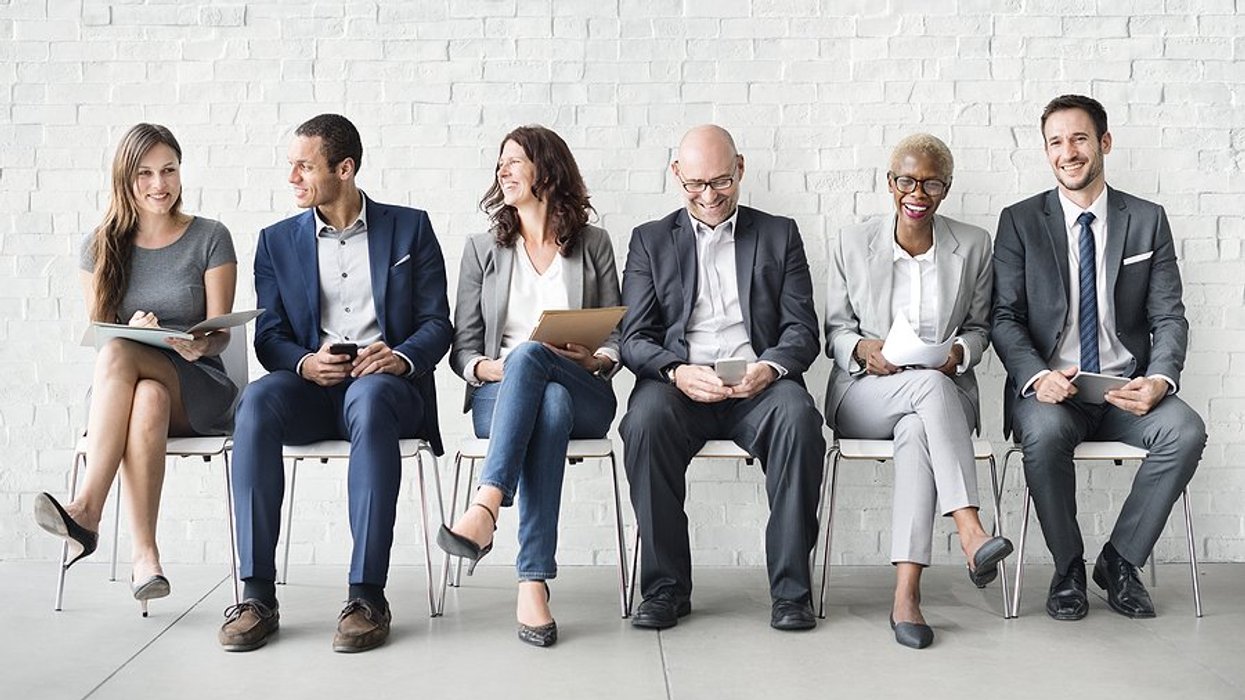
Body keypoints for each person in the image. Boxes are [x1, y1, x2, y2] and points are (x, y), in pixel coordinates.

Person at [218, 114, 451, 653]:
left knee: (369, 399)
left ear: (344, 169)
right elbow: (270, 335)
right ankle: (256, 594)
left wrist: (400, 358)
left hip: (386, 389)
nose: (293, 177)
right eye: (291, 165)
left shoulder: (409, 228)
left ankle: (367, 595)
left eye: (305, 165)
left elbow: (438, 323)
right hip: (312, 389)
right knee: (254, 400)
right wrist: (303, 363)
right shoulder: (275, 241)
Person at [992, 94, 1207, 621]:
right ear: (1047, 153)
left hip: (1123, 390)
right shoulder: (1020, 221)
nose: (1069, 152)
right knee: (1041, 436)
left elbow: (1169, 317)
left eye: (1080, 138)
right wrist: (1036, 376)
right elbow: (1004, 317)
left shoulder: (1146, 220)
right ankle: (1068, 568)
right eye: (1056, 142)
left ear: (1104, 143)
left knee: (1186, 431)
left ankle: (1120, 561)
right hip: (1054, 393)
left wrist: (1160, 378)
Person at [619, 124, 825, 632]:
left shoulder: (780, 233)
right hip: (679, 383)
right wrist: (676, 371)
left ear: (740, 168)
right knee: (642, 423)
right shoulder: (649, 240)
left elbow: (802, 330)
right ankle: (666, 589)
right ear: (676, 175)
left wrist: (769, 368)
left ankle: (791, 593)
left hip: (759, 382)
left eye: (721, 182)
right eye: (694, 185)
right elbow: (633, 336)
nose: (708, 197)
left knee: (800, 420)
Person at [34, 123, 239, 616]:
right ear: (125, 178)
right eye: (145, 173)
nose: (159, 183)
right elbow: (100, 336)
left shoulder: (210, 237)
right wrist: (130, 327)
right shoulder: (100, 246)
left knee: (123, 356)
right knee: (144, 393)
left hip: (199, 387)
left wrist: (197, 344)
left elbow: (222, 335)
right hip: (133, 393)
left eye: (169, 170)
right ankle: (146, 559)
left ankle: (86, 510)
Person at [824, 134, 1013, 648]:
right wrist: (864, 349)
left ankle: (906, 595)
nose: (917, 192)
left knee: (916, 431)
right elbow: (834, 332)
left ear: (946, 189)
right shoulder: (850, 241)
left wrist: (960, 354)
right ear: (890, 183)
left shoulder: (972, 245)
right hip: (866, 394)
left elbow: (979, 328)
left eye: (931, 182)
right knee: (924, 392)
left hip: (938, 400)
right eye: (906, 180)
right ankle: (972, 531)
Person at [437, 125, 622, 648]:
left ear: (548, 169)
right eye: (500, 163)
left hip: (583, 383)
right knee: (546, 397)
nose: (504, 170)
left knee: (541, 365)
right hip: (501, 395)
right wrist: (488, 368)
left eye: (515, 160)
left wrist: (598, 356)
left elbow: (619, 334)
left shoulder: (593, 244)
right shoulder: (482, 250)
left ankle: (486, 507)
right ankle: (532, 582)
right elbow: (464, 349)